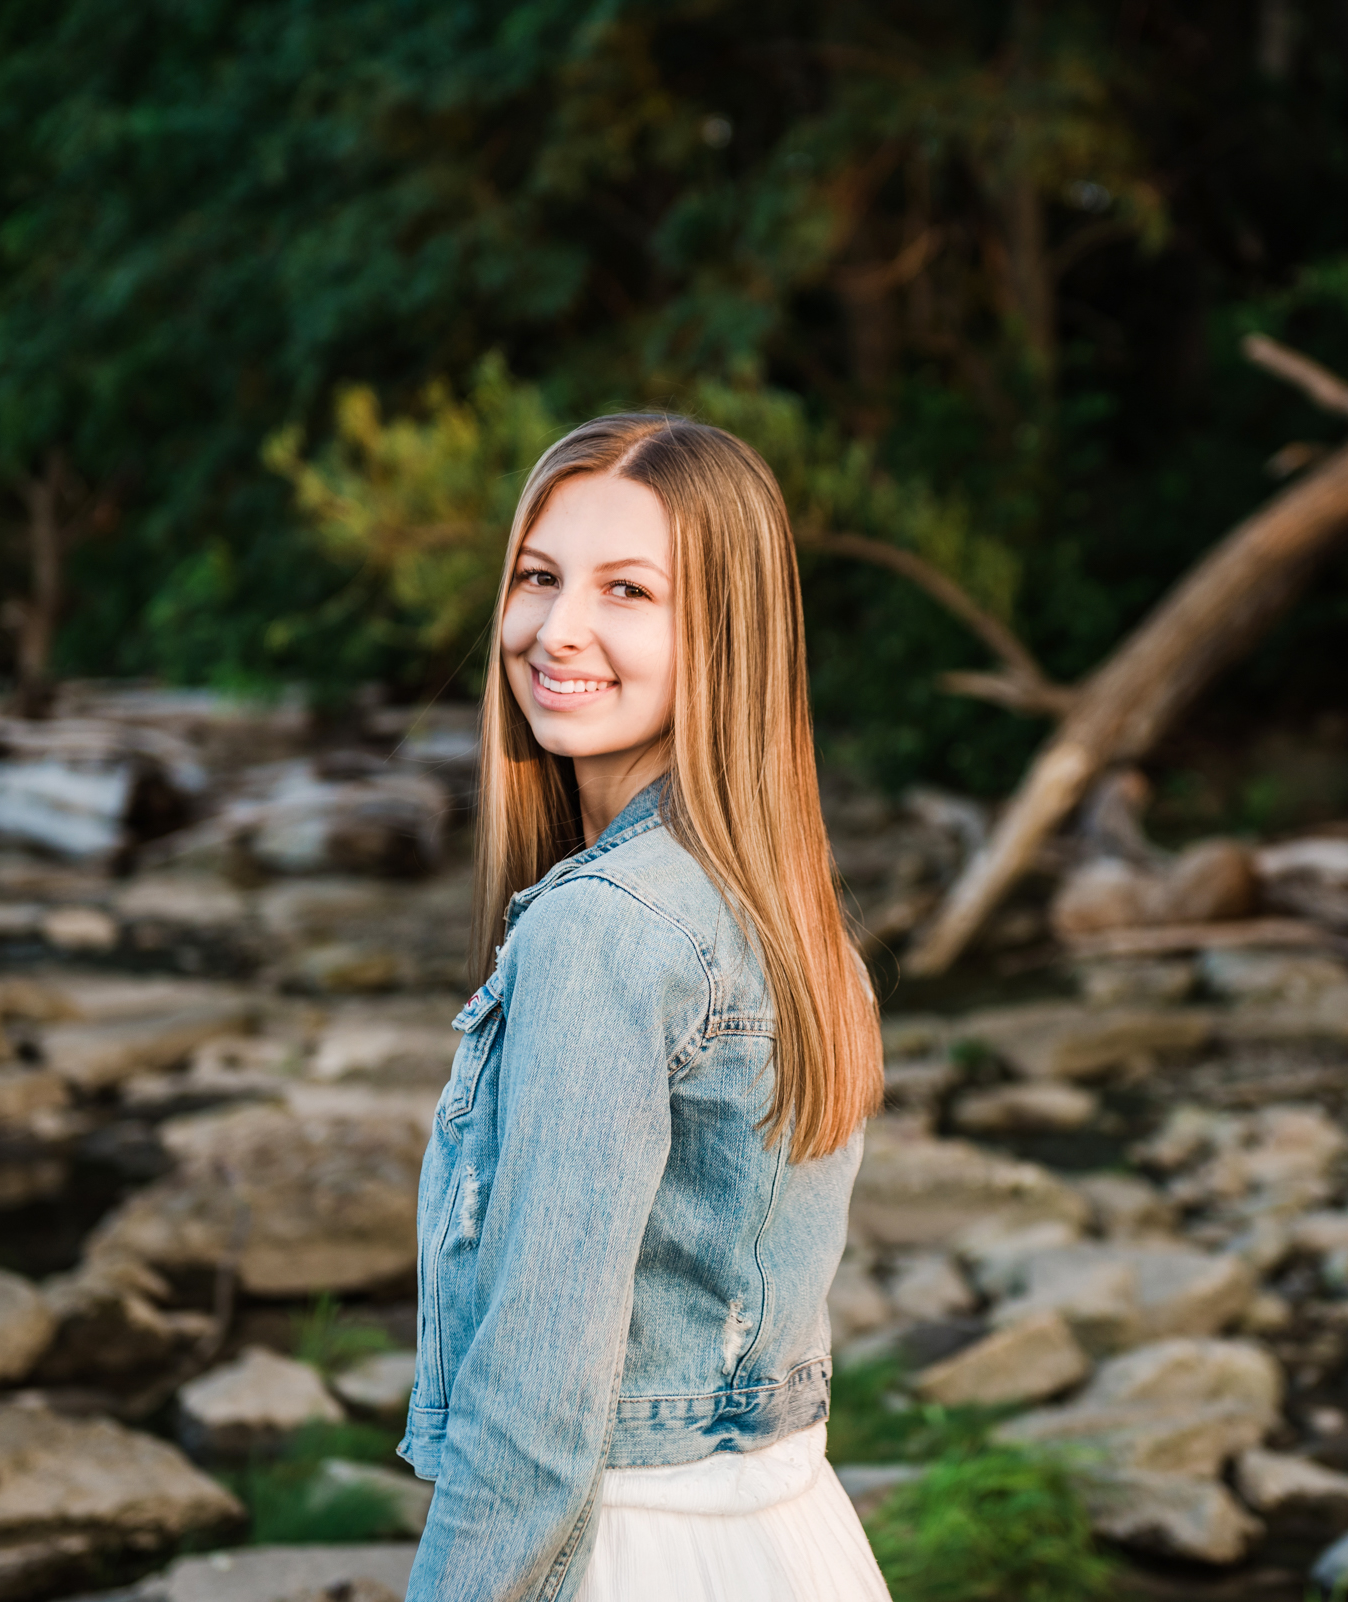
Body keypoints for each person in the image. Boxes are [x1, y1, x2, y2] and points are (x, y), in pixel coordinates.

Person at [400, 413, 891, 1602]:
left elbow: (534, 1416)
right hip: (791, 1536)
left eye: (629, 591)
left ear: (729, 635)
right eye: (538, 577)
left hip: (631, 1555)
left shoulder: (602, 929)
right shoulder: (781, 907)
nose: (557, 630)